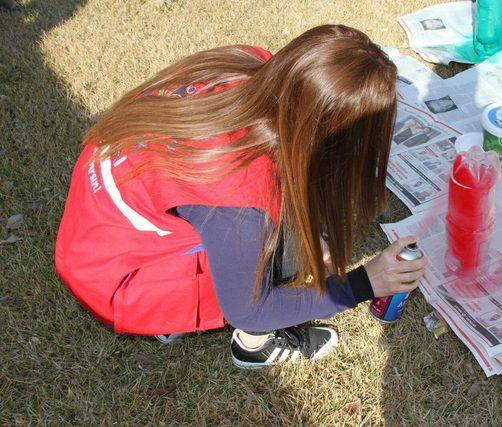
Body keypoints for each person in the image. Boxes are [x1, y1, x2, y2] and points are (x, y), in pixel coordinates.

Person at [55, 25, 428, 369]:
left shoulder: (247, 64)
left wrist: (308, 234)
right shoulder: (238, 194)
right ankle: (252, 346)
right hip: (115, 280)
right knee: (272, 264)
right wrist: (365, 282)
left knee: (283, 236)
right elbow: (250, 309)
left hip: (92, 233)